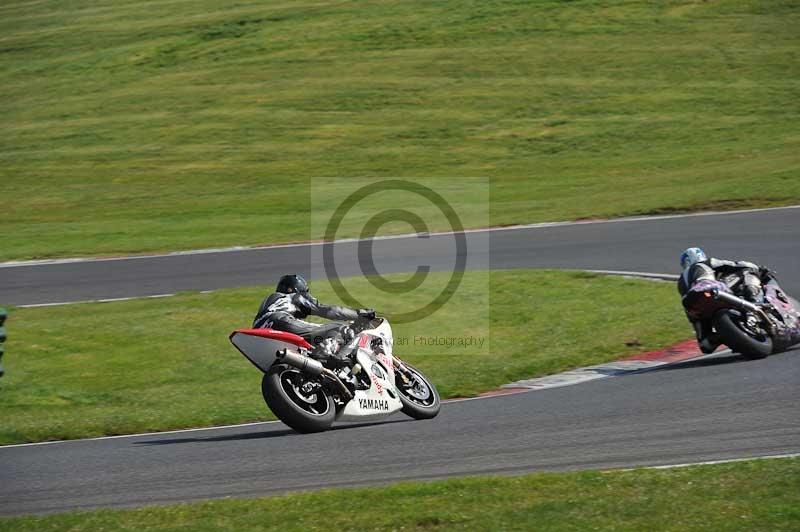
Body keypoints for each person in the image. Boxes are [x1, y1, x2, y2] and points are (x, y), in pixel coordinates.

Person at [253, 274, 375, 361]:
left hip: (259, 335)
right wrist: (359, 314)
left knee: (313, 342)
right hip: (280, 322)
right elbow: (328, 310)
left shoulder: (271, 302)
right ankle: (327, 356)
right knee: (340, 329)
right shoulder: (293, 297)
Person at [677, 247, 772, 354]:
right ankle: (755, 302)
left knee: (705, 345)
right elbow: (736, 265)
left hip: (693, 307)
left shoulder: (680, 282)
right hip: (710, 289)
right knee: (748, 271)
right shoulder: (706, 262)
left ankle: (720, 337)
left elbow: (686, 300)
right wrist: (757, 268)